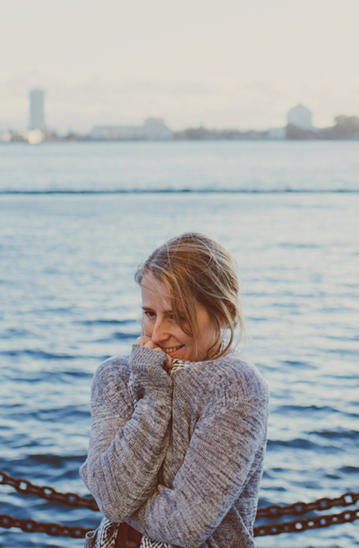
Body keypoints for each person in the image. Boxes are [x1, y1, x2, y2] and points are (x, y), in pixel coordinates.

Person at [80, 233, 269, 548]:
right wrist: (153, 395)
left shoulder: (236, 389)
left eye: (177, 317)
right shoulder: (115, 376)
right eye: (150, 313)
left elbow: (184, 528)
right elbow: (112, 502)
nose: (157, 333)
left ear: (223, 313)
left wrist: (127, 499)